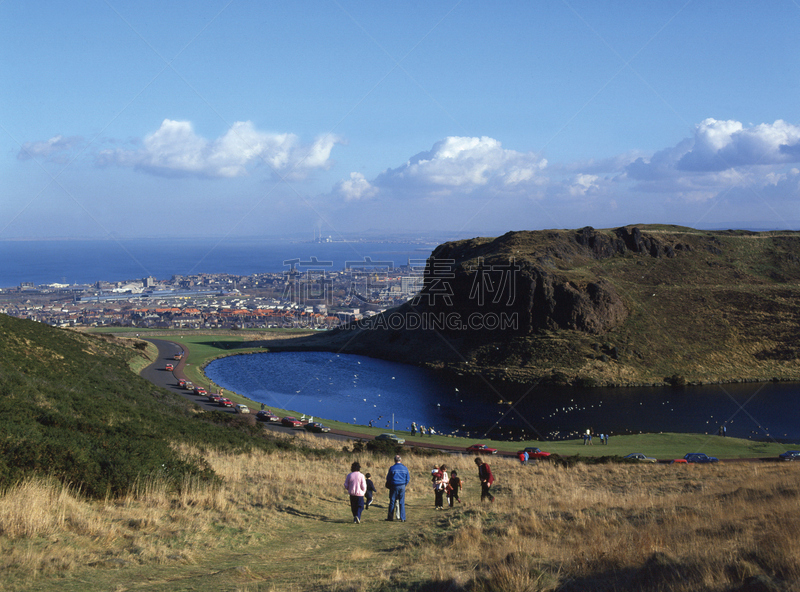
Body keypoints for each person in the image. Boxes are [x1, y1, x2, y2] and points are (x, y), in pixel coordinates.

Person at [385, 454, 410, 522]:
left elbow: (388, 478)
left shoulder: (392, 468)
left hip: (394, 485)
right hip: (402, 486)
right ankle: (403, 518)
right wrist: (404, 485)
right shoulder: (405, 468)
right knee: (401, 502)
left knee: (392, 501)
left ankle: (390, 517)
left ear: (394, 460)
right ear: (401, 460)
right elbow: (408, 478)